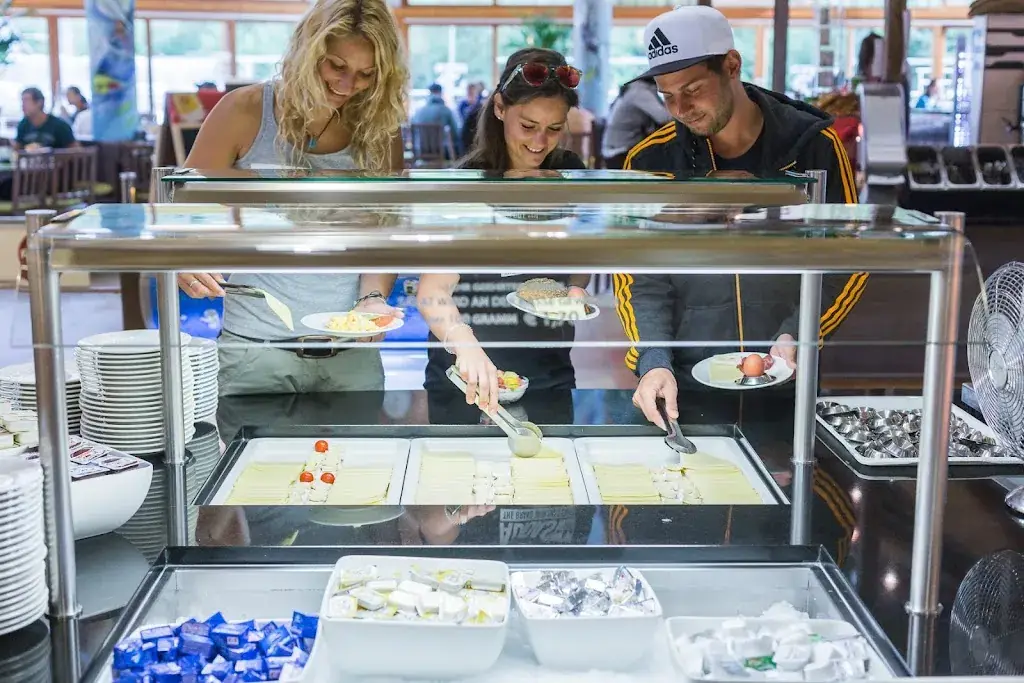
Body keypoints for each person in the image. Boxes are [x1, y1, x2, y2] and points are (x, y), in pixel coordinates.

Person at [615, 6, 869, 428]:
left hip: (785, 372)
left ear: (731, 65)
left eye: (693, 88)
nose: (681, 108)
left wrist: (798, 333)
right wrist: (654, 359)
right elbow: (642, 275)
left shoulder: (813, 146)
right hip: (680, 381)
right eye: (667, 95)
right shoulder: (651, 159)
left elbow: (846, 258)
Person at [176, 0, 407, 397]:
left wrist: (373, 299)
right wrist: (186, 257)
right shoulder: (244, 111)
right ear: (307, 50)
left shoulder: (379, 129)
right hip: (255, 348)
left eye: (366, 74)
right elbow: (184, 206)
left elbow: (382, 234)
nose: (348, 86)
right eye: (336, 66)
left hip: (350, 348)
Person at [417, 48, 587, 420]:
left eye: (554, 129)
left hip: (548, 369)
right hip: (466, 375)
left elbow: (577, 258)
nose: (540, 143)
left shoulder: (570, 172)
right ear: (499, 107)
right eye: (527, 126)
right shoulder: (469, 181)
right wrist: (464, 344)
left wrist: (575, 287)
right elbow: (431, 290)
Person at [602, 76, 672, 169]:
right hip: (620, 153)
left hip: (618, 150)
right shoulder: (640, 92)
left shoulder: (634, 88)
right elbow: (664, 118)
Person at [413, 83, 460, 154]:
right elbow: (455, 133)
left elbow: (413, 132)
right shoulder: (446, 110)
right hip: (441, 151)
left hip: (420, 151)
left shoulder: (418, 111)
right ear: (441, 93)